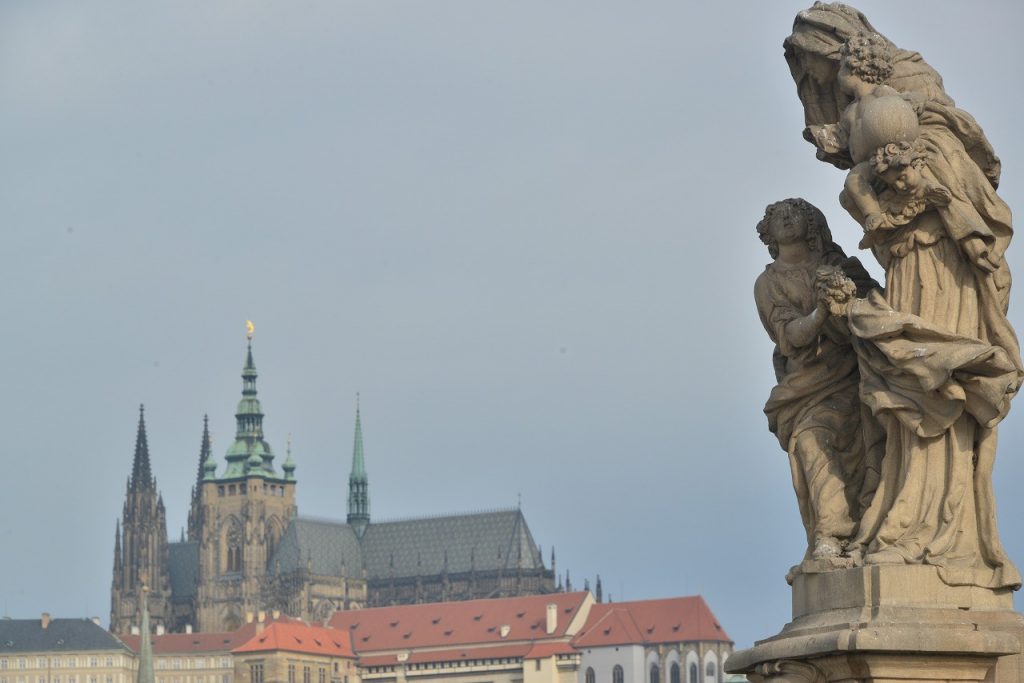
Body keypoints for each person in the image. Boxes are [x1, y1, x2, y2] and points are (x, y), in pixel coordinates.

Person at [753, 199, 879, 567]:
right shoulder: (769, 283)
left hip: (856, 371)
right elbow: (790, 334)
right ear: (769, 232)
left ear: (812, 225)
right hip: (808, 383)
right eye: (779, 216)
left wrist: (848, 302)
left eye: (797, 214)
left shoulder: (841, 266)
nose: (789, 220)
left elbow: (877, 307)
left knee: (868, 452)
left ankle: (866, 531)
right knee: (812, 443)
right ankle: (830, 533)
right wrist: (823, 311)